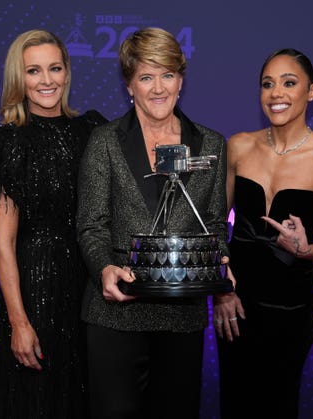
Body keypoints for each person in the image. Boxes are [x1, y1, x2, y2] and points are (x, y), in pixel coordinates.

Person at [76, 27, 229, 419]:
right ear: (130, 85)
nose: (158, 88)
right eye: (146, 76)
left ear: (181, 80)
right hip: (117, 312)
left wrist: (220, 260)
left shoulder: (211, 144)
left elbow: (213, 220)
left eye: (168, 75)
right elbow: (92, 224)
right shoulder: (105, 140)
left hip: (182, 314)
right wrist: (104, 269)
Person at [0, 29, 107, 418]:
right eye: (33, 71)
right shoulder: (5, 145)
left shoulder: (94, 133)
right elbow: (2, 244)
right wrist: (19, 322)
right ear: (18, 78)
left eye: (55, 68)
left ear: (67, 71)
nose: (46, 81)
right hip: (33, 291)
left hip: (90, 294)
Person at [214, 48, 313, 418]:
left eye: (289, 83)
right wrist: (222, 289)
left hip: (290, 306)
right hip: (237, 301)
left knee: (278, 403)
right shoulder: (239, 146)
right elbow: (214, 224)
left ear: (312, 91)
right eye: (267, 84)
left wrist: (305, 249)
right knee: (235, 401)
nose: (277, 93)